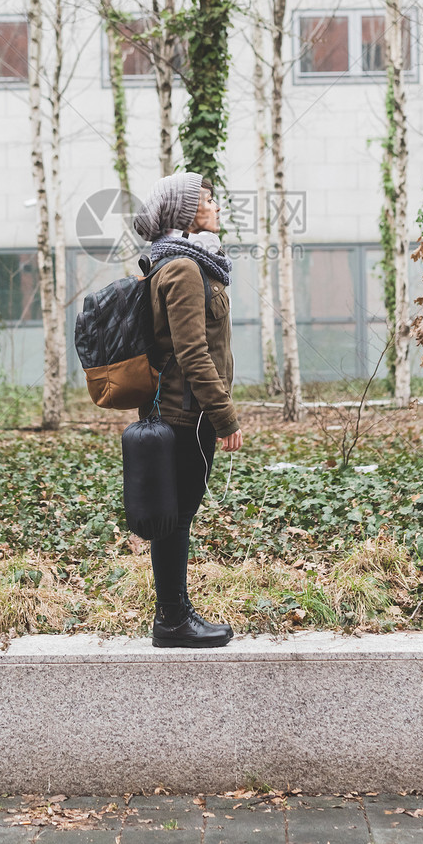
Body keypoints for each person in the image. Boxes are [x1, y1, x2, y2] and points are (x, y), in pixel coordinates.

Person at [132, 171, 243, 648]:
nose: (217, 207)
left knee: (175, 514)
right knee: (176, 516)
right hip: (185, 413)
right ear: (187, 216)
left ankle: (173, 614)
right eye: (209, 201)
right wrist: (225, 416)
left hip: (182, 410)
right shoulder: (181, 268)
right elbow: (193, 352)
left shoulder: (184, 263)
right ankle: (173, 620)